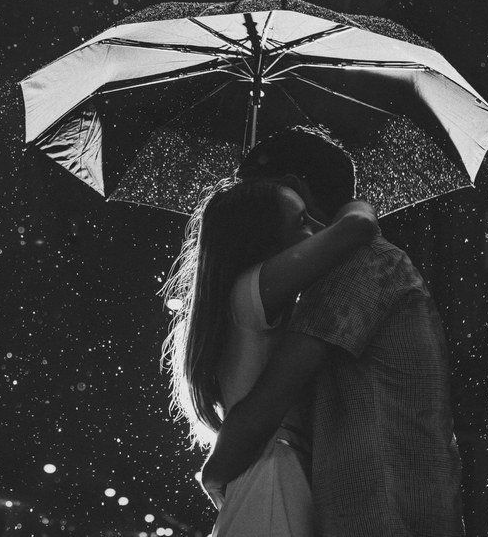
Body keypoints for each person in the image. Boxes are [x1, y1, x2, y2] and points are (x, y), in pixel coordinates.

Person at [199, 128, 465, 535]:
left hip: (379, 512)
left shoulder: (353, 267)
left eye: (256, 194)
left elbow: (269, 401)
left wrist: (214, 472)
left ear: (292, 186)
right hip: (397, 505)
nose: (246, 209)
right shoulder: (367, 264)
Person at [160, 128, 380, 536]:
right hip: (275, 477)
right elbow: (358, 227)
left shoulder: (240, 297)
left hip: (266, 473)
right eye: (301, 221)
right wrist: (353, 202)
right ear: (263, 237)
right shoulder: (253, 288)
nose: (316, 228)